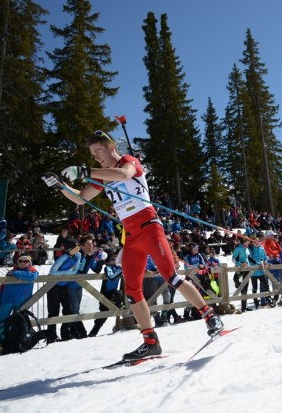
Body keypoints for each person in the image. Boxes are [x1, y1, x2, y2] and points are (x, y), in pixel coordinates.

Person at [42, 130, 223, 360]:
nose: (96, 156)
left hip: (150, 227)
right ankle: (150, 341)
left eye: (98, 151)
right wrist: (60, 186)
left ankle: (210, 316)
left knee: (171, 276)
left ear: (110, 147)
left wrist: (86, 171)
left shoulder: (129, 161)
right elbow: (81, 197)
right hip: (132, 236)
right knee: (132, 291)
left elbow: (124, 174)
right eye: (92, 154)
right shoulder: (102, 176)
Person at [46, 237, 81, 343]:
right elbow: (52, 272)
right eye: (76, 246)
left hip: (64, 286)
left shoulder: (78, 255)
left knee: (68, 310)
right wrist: (67, 273)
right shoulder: (63, 257)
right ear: (69, 248)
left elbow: (75, 271)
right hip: (53, 286)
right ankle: (51, 336)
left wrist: (66, 273)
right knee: (53, 311)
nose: (78, 248)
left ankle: (65, 333)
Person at [0, 255, 38, 324]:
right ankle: (0, 333)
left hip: (21, 302)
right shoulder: (11, 272)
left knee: (19, 321)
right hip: (7, 300)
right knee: (0, 320)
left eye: (25, 261)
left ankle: (17, 334)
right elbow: (2, 288)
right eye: (20, 261)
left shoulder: (32, 271)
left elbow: (31, 276)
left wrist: (15, 273)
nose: (22, 263)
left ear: (29, 263)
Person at [88, 253, 123, 337]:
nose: (114, 260)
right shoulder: (107, 268)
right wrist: (121, 270)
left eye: (115, 259)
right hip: (105, 294)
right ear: (107, 261)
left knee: (120, 308)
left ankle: (125, 324)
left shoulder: (118, 267)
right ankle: (93, 332)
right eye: (112, 259)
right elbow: (112, 276)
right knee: (103, 315)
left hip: (113, 294)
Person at [232, 238, 252, 312]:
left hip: (247, 268)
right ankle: (239, 287)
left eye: (248, 244)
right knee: (236, 279)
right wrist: (240, 264)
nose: (248, 245)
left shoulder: (247, 249)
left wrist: (257, 263)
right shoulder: (238, 248)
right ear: (244, 242)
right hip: (240, 269)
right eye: (247, 243)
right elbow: (233, 259)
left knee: (246, 286)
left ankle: (244, 307)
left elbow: (249, 257)